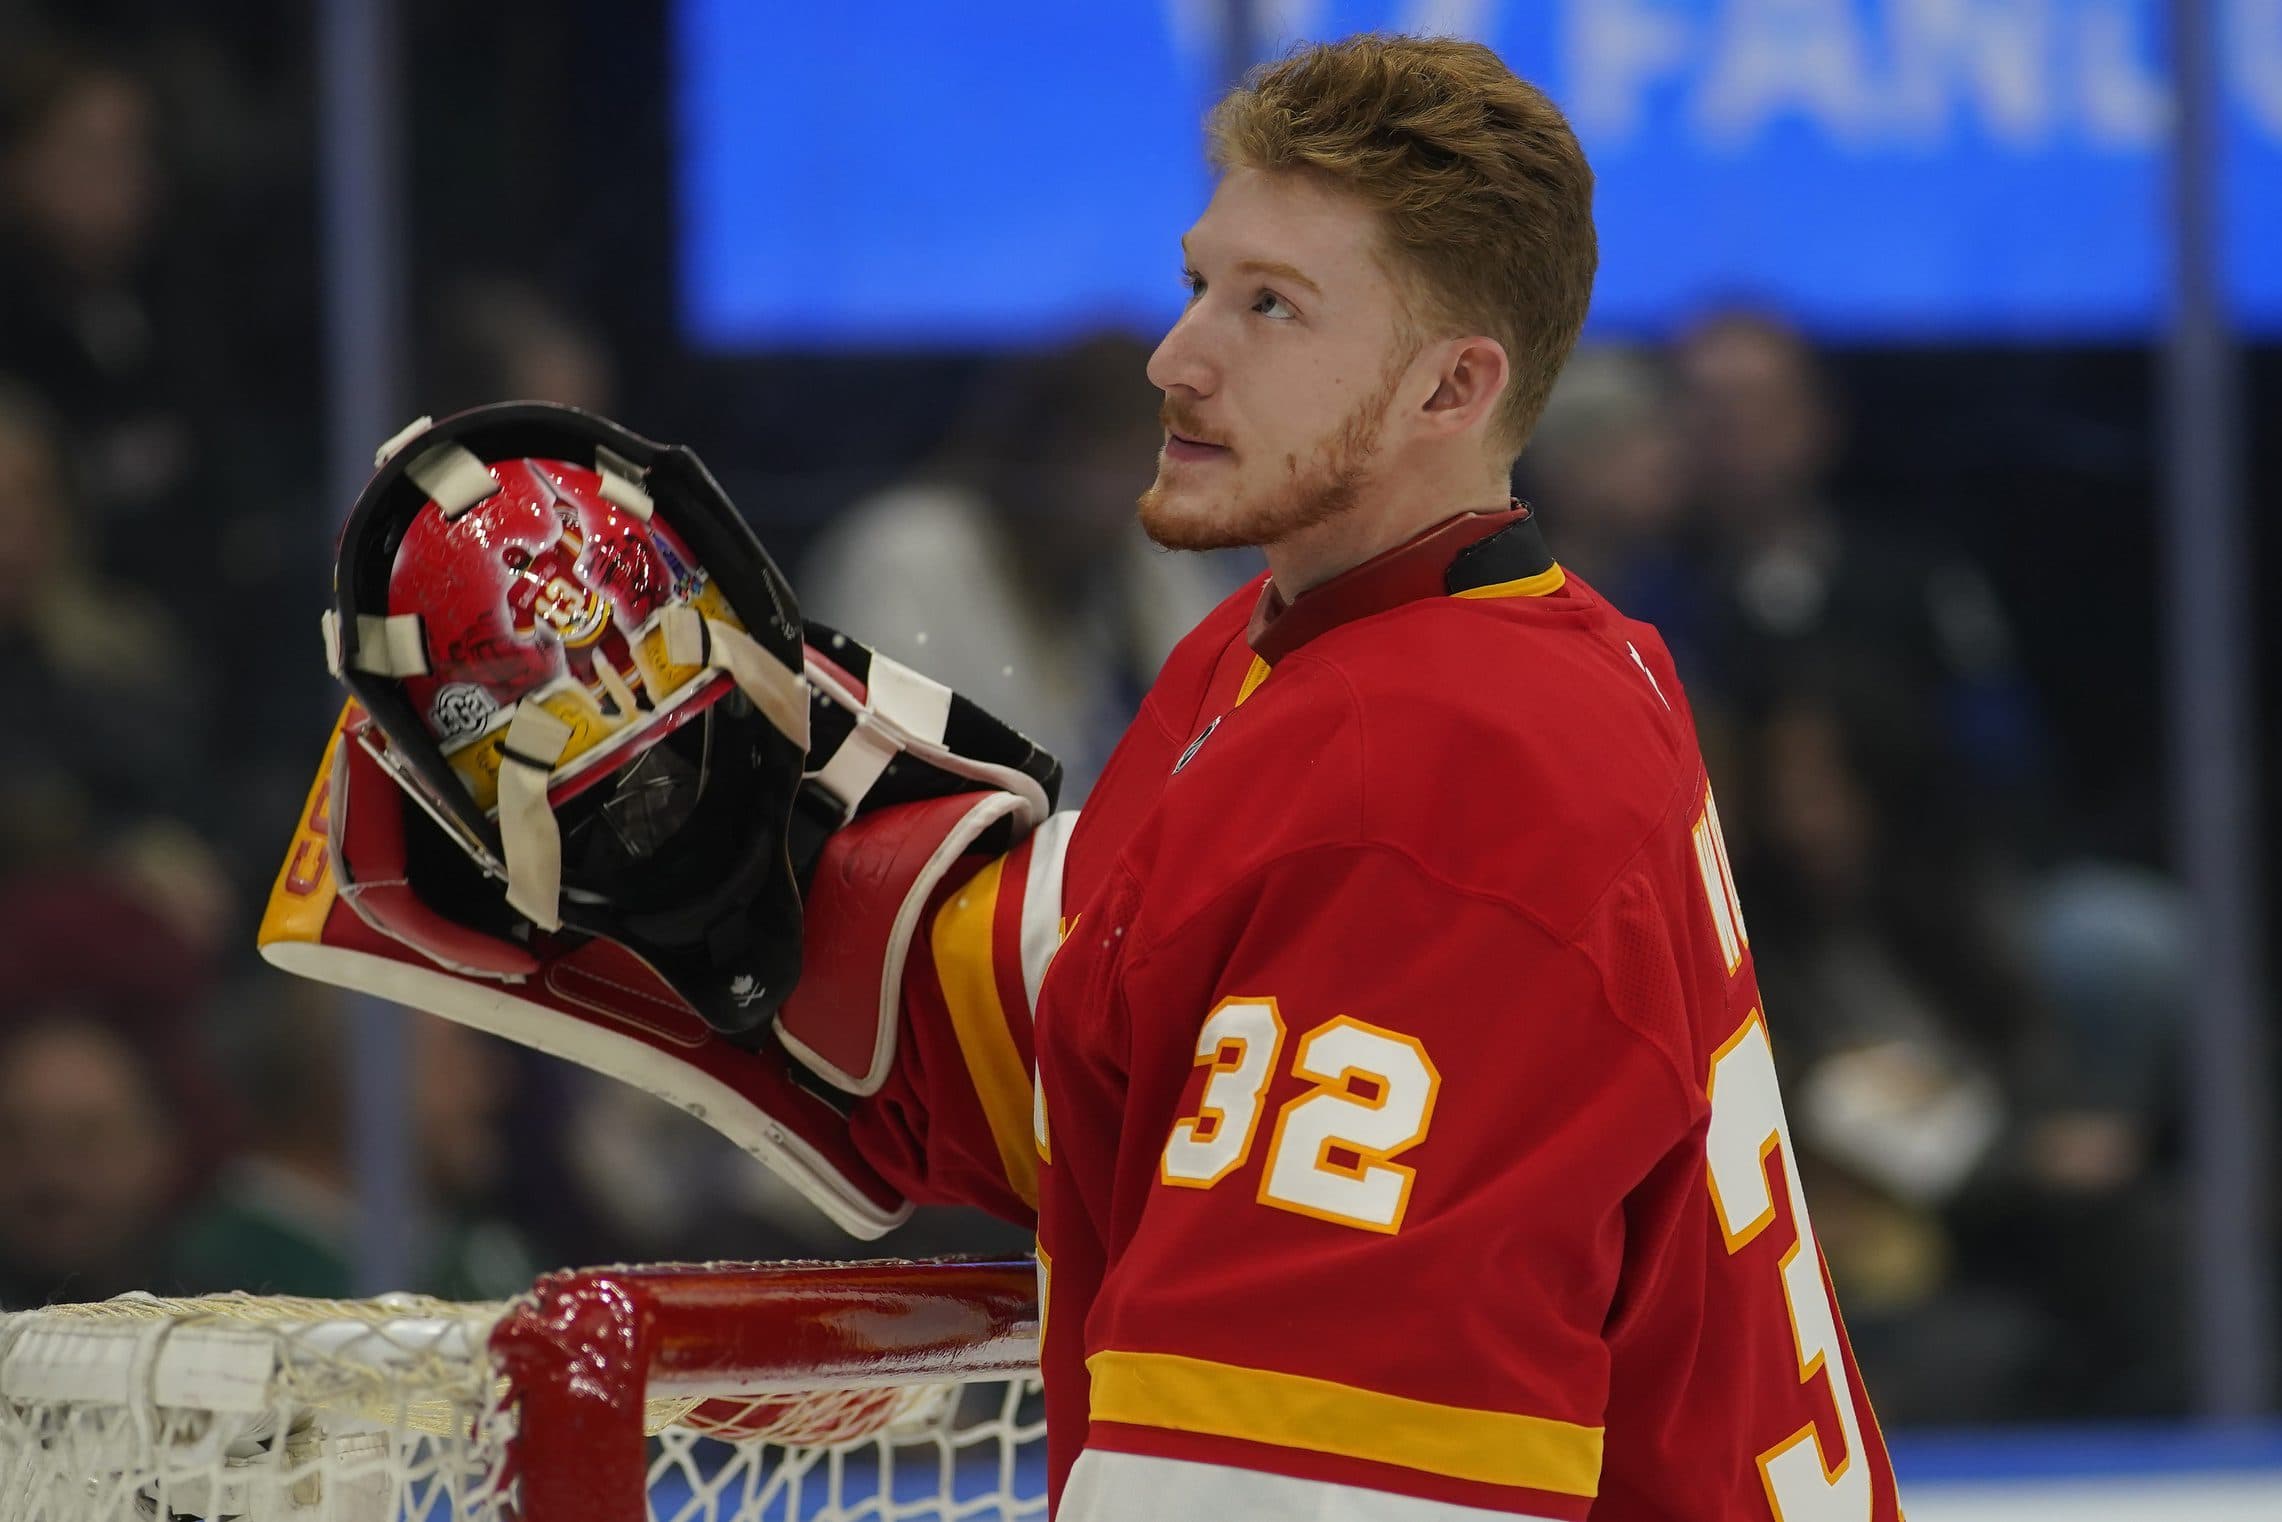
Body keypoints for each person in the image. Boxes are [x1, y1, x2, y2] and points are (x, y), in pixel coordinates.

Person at [263, 34, 1900, 1521]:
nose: (1178, 357)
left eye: (1271, 308)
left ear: (1450, 388)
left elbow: (1285, 1488)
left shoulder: (1439, 781)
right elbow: (1106, 1049)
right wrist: (720, 853)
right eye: (1200, 281)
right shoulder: (1340, 658)